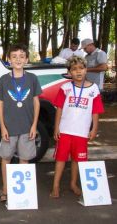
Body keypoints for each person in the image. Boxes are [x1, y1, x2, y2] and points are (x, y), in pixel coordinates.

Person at [50, 56, 104, 198]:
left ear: (86, 70)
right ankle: (55, 186)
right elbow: (59, 109)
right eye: (74, 69)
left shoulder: (94, 89)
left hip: (81, 132)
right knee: (61, 159)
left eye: (81, 68)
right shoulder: (65, 88)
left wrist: (94, 129)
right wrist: (56, 128)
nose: (78, 72)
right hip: (65, 130)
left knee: (77, 159)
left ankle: (73, 183)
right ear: (69, 72)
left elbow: (96, 111)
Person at [0, 43, 42, 202]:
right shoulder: (4, 80)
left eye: (22, 56)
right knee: (6, 158)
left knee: (24, 158)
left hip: (27, 128)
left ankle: (22, 192)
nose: (18, 59)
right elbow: (0, 104)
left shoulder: (32, 78)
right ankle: (6, 189)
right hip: (9, 128)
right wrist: (2, 127)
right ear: (9, 60)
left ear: (27, 59)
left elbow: (36, 103)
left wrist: (34, 125)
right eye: (14, 57)